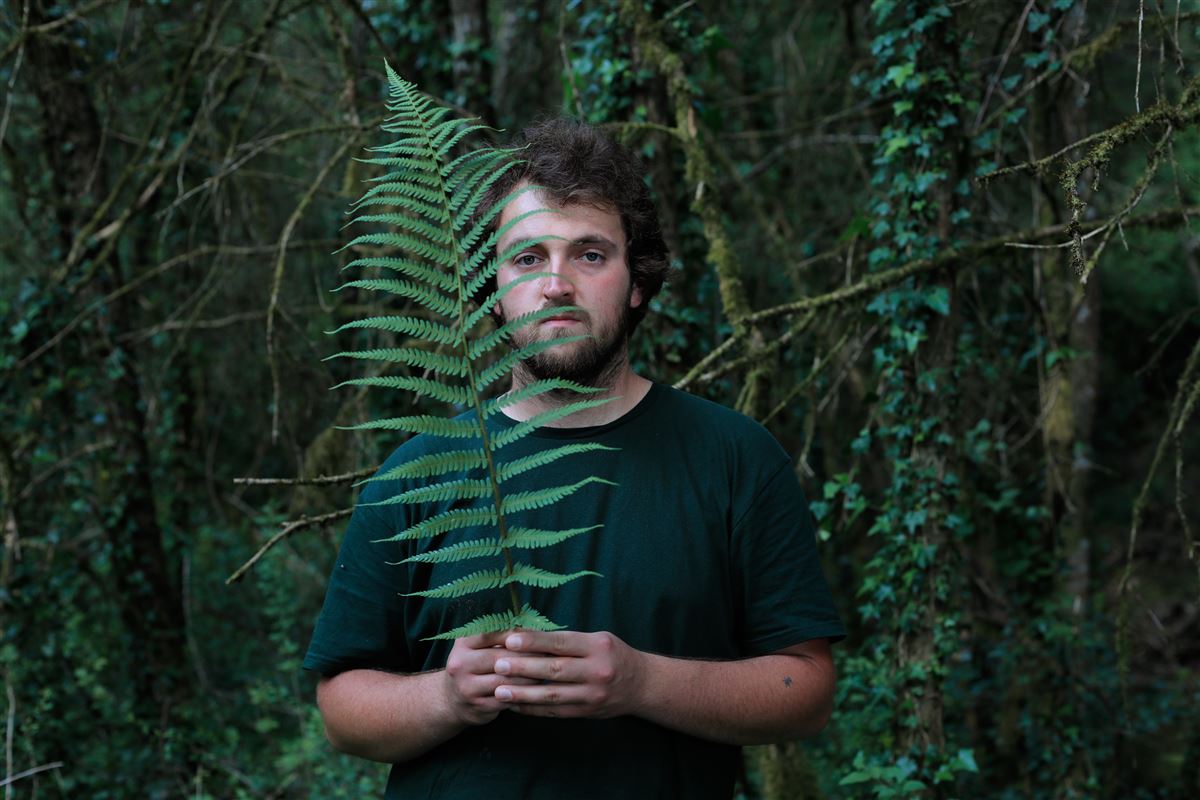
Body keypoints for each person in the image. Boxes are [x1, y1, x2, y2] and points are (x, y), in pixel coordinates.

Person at [303, 118, 844, 799]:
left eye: (589, 255)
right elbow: (342, 710)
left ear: (637, 280)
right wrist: (447, 696)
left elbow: (807, 691)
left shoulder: (734, 460)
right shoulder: (416, 473)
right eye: (527, 258)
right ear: (491, 284)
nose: (556, 285)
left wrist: (641, 682)